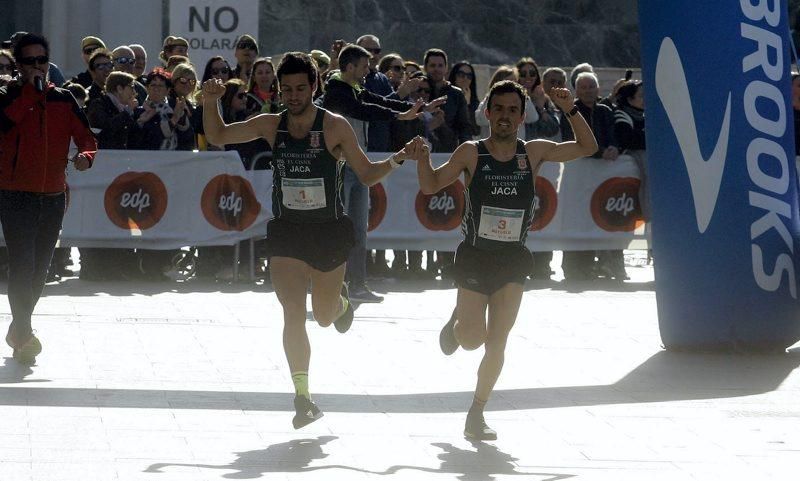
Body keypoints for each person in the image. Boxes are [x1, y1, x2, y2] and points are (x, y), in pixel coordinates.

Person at [202, 51, 419, 430]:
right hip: (287, 231)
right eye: (287, 89)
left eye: (301, 88)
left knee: (322, 316)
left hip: (327, 232)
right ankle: (302, 397)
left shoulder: (334, 126)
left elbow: (366, 175)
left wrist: (398, 158)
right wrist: (209, 101)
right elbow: (218, 134)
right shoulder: (273, 124)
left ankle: (340, 303)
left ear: (315, 87)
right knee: (291, 312)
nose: (294, 95)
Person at [415, 80, 597, 440]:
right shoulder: (471, 153)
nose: (505, 116)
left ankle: (477, 413)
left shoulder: (533, 152)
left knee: (497, 342)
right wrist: (422, 159)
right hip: (475, 257)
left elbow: (587, 147)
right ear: (487, 113)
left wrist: (570, 108)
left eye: (513, 110)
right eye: (498, 109)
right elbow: (431, 186)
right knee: (471, 339)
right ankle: (457, 325)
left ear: (521, 115)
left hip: (513, 260)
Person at [0, 33, 97, 364]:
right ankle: (24, 333)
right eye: (30, 61)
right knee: (22, 263)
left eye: (42, 60)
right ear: (19, 65)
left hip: (54, 195)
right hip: (15, 195)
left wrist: (85, 156)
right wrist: (29, 96)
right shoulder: (7, 96)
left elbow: (87, 138)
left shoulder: (65, 99)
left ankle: (19, 329)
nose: (38, 66)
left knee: (41, 269)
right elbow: (5, 126)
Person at [321, 44, 443, 302]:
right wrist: (400, 117)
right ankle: (331, 284)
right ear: (350, 67)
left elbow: (377, 101)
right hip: (338, 167)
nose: (368, 71)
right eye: (364, 67)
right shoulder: (336, 90)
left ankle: (357, 284)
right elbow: (364, 110)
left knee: (359, 229)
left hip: (359, 165)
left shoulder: (354, 87)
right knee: (336, 229)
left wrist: (413, 111)